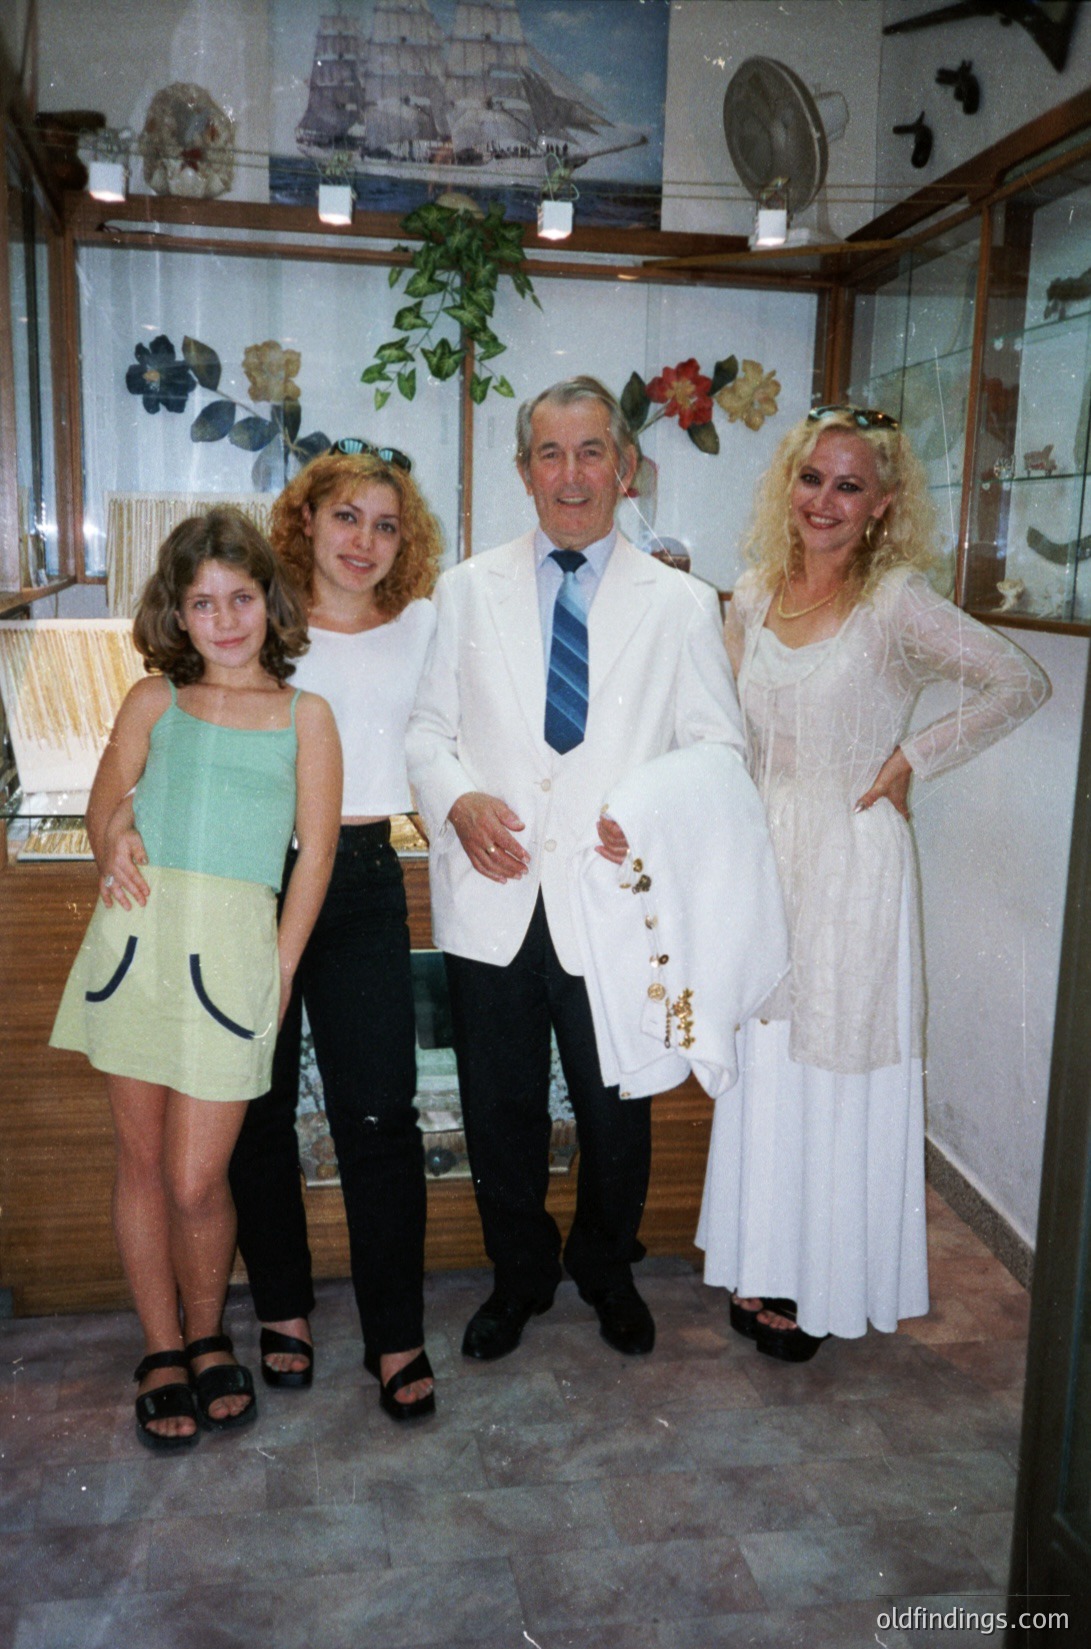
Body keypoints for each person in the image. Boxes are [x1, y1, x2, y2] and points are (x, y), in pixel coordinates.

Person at [696, 406, 1051, 1361]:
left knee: (836, 1064)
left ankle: (830, 1274)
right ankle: (763, 1261)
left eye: (849, 485)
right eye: (812, 478)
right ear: (788, 484)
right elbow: (718, 732)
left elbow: (1017, 681)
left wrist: (909, 758)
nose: (824, 500)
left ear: (882, 505)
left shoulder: (895, 601)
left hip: (853, 866)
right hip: (760, 862)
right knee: (768, 1067)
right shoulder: (750, 596)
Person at [406, 375, 744, 1363]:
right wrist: (457, 799)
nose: (570, 473)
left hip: (612, 906)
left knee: (615, 1108)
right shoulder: (464, 590)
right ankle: (519, 1277)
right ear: (522, 471)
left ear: (625, 466)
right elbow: (427, 732)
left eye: (590, 450)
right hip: (494, 895)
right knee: (498, 1107)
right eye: (548, 453)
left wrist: (645, 817)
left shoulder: (682, 605)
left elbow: (715, 749)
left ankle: (605, 1264)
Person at [50, 509, 341, 1449]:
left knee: (193, 1177)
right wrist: (113, 838)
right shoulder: (152, 701)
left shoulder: (306, 715)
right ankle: (166, 1346)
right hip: (135, 945)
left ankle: (212, 1326)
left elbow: (316, 858)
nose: (223, 620)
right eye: (202, 602)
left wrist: (280, 966)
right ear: (177, 612)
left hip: (232, 961)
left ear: (270, 603)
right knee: (139, 1164)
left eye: (241, 598)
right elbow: (105, 802)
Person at [224, 444, 443, 1421]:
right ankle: (283, 1308)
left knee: (379, 1115)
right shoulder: (256, 623)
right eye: (346, 516)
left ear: (404, 541)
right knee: (256, 1107)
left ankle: (395, 1330)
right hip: (252, 876)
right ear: (306, 519)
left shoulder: (426, 628)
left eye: (384, 523)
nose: (363, 539)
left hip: (360, 876)